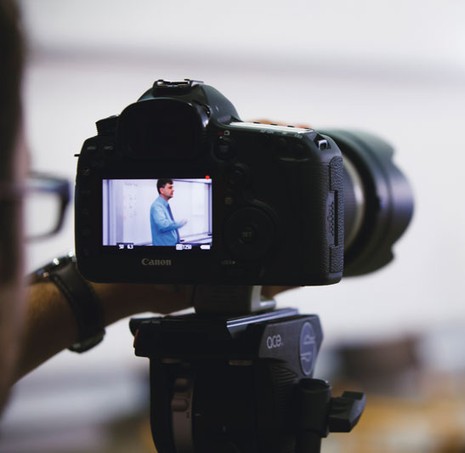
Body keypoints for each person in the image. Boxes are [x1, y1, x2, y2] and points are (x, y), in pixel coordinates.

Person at [0, 0, 288, 417]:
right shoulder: (157, 207)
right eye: (26, 189)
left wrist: (114, 290)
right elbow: (166, 235)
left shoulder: (160, 206)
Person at [150, 178, 187, 246]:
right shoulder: (157, 206)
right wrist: (179, 224)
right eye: (170, 187)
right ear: (162, 190)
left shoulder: (165, 205)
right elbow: (163, 225)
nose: (173, 190)